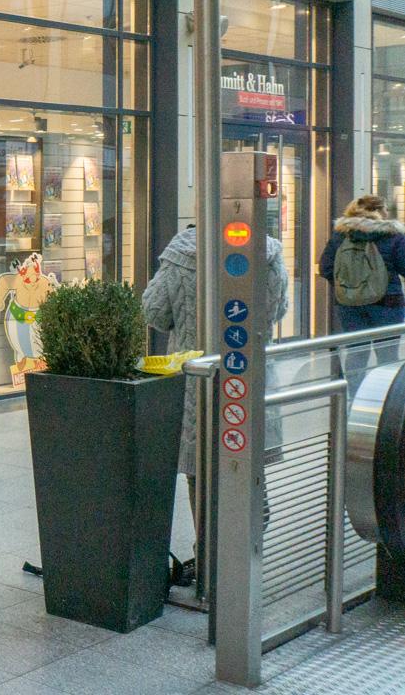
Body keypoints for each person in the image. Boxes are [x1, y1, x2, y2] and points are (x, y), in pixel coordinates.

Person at [142, 221, 289, 581]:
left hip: (198, 383)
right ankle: (248, 539)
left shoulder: (178, 255)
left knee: (201, 468)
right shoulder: (267, 251)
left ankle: (208, 555)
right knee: (243, 454)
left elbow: (154, 312)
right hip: (249, 374)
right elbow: (277, 310)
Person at [318, 195, 405, 332]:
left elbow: (326, 268)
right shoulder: (393, 236)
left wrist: (349, 286)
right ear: (378, 211)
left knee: (356, 350)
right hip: (388, 301)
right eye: (386, 209)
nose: (387, 213)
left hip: (349, 303)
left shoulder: (340, 235)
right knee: (387, 350)